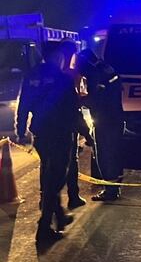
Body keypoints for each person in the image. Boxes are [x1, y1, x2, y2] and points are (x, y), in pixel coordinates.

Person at [14, 42, 84, 242]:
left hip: (41, 134)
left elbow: (23, 104)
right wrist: (85, 133)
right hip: (60, 134)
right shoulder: (62, 79)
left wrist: (21, 130)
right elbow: (73, 111)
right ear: (56, 56)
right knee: (57, 178)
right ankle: (44, 227)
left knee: (49, 174)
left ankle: (59, 216)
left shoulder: (32, 75)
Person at [76, 49, 124, 201]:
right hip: (114, 118)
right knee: (113, 154)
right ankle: (114, 186)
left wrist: (79, 100)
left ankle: (111, 190)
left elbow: (98, 100)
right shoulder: (106, 69)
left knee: (104, 155)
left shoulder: (96, 75)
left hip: (105, 120)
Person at [60, 39, 92, 209]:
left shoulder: (49, 71)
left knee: (48, 164)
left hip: (48, 127)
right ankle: (72, 196)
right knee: (71, 161)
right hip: (68, 124)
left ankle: (47, 198)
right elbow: (76, 104)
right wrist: (87, 134)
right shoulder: (71, 74)